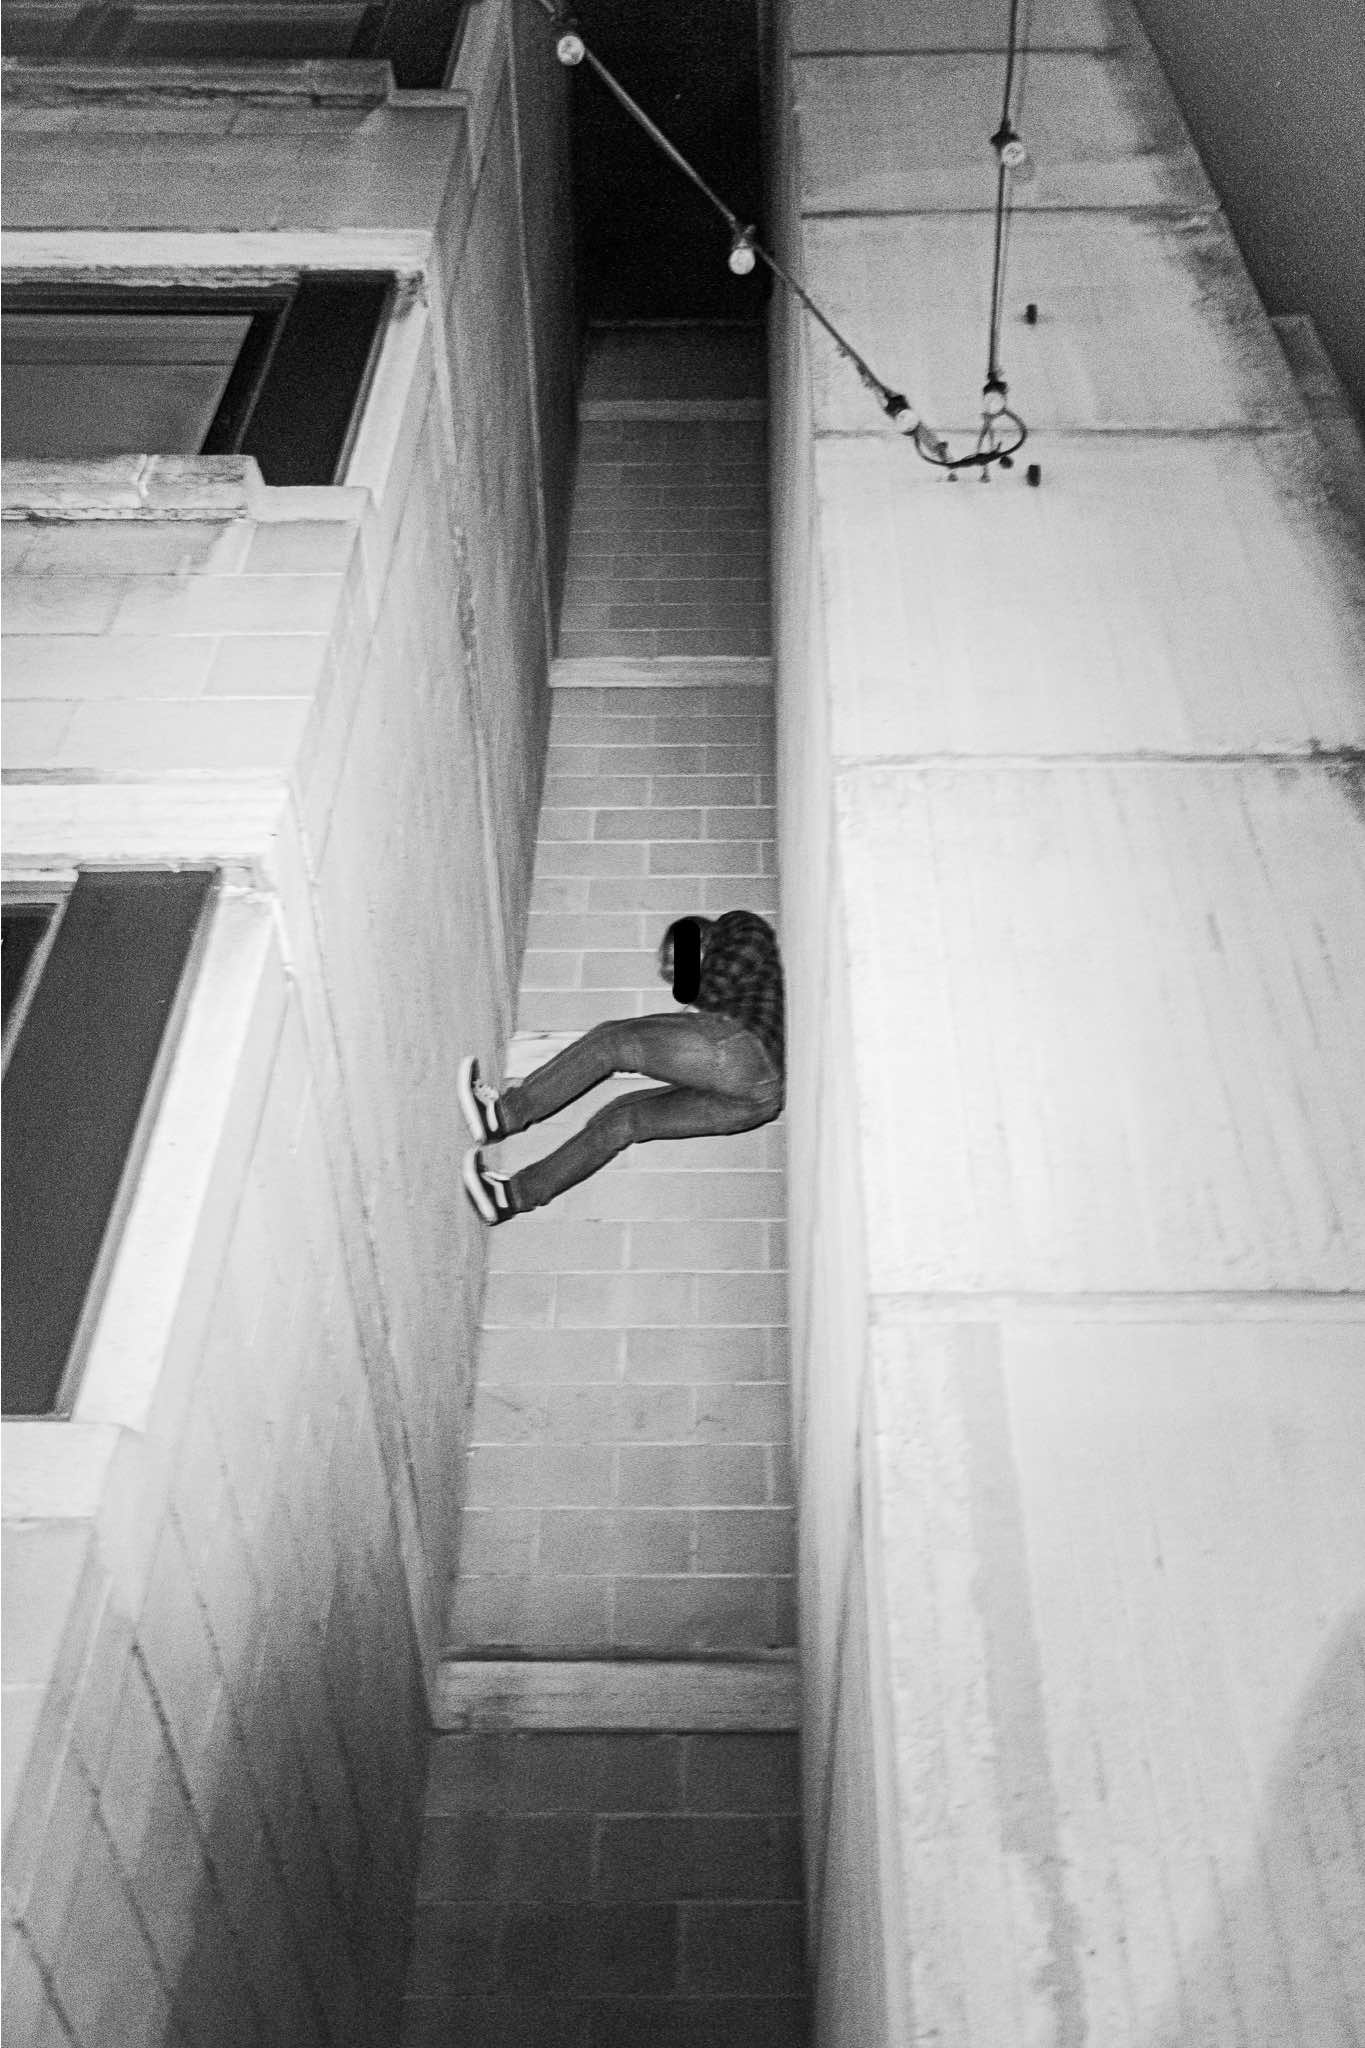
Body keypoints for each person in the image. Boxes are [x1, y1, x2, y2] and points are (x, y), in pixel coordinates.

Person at [459, 909, 784, 1225]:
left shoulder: (739, 926)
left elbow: (725, 974)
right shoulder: (722, 999)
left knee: (612, 1040)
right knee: (620, 1119)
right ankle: (509, 1196)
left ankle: (502, 1114)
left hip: (748, 1053)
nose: (682, 979)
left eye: (682, 964)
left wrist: (682, 1007)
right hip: (755, 1102)